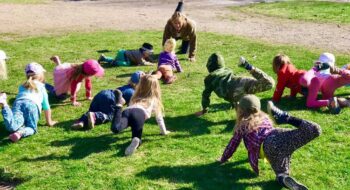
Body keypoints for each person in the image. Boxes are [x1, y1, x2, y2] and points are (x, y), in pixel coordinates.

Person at [218, 95, 321, 190]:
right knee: (314, 129)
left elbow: (233, 144)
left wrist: (223, 158)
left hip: (268, 147)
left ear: (241, 110)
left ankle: (283, 178)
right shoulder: (265, 117)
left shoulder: (242, 125)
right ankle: (286, 118)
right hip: (278, 139)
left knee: (281, 173)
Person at [195, 53, 275, 116]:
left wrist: (204, 110)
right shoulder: (226, 70)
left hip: (236, 93)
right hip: (241, 84)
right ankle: (248, 66)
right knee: (269, 83)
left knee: (244, 116)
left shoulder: (209, 78)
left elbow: (206, 95)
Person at [110, 74, 170, 156]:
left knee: (116, 128)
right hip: (139, 114)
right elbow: (159, 118)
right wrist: (164, 132)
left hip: (127, 111)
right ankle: (136, 142)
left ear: (140, 85)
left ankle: (119, 105)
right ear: (156, 88)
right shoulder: (154, 100)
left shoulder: (135, 96)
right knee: (136, 137)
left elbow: (130, 106)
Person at [0, 63, 57, 142]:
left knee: (13, 126)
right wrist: (49, 122)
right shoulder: (41, 87)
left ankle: (5, 105)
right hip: (32, 106)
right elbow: (46, 106)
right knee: (31, 128)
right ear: (40, 75)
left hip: (18, 103)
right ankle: (19, 133)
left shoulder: (22, 86)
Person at [71, 71, 144, 130]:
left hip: (102, 93)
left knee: (92, 110)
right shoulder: (133, 93)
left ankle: (81, 121)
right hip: (110, 99)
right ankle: (95, 116)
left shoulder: (125, 87)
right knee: (109, 116)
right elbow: (130, 108)